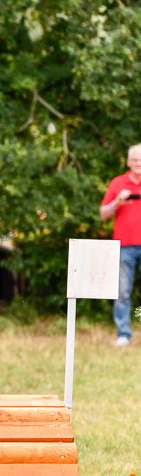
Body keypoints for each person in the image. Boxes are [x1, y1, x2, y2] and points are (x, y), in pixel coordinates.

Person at [100, 143, 141, 346]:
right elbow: (103, 214)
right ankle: (123, 333)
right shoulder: (118, 183)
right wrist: (117, 202)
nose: (138, 163)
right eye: (135, 159)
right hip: (124, 246)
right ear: (128, 161)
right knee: (123, 291)